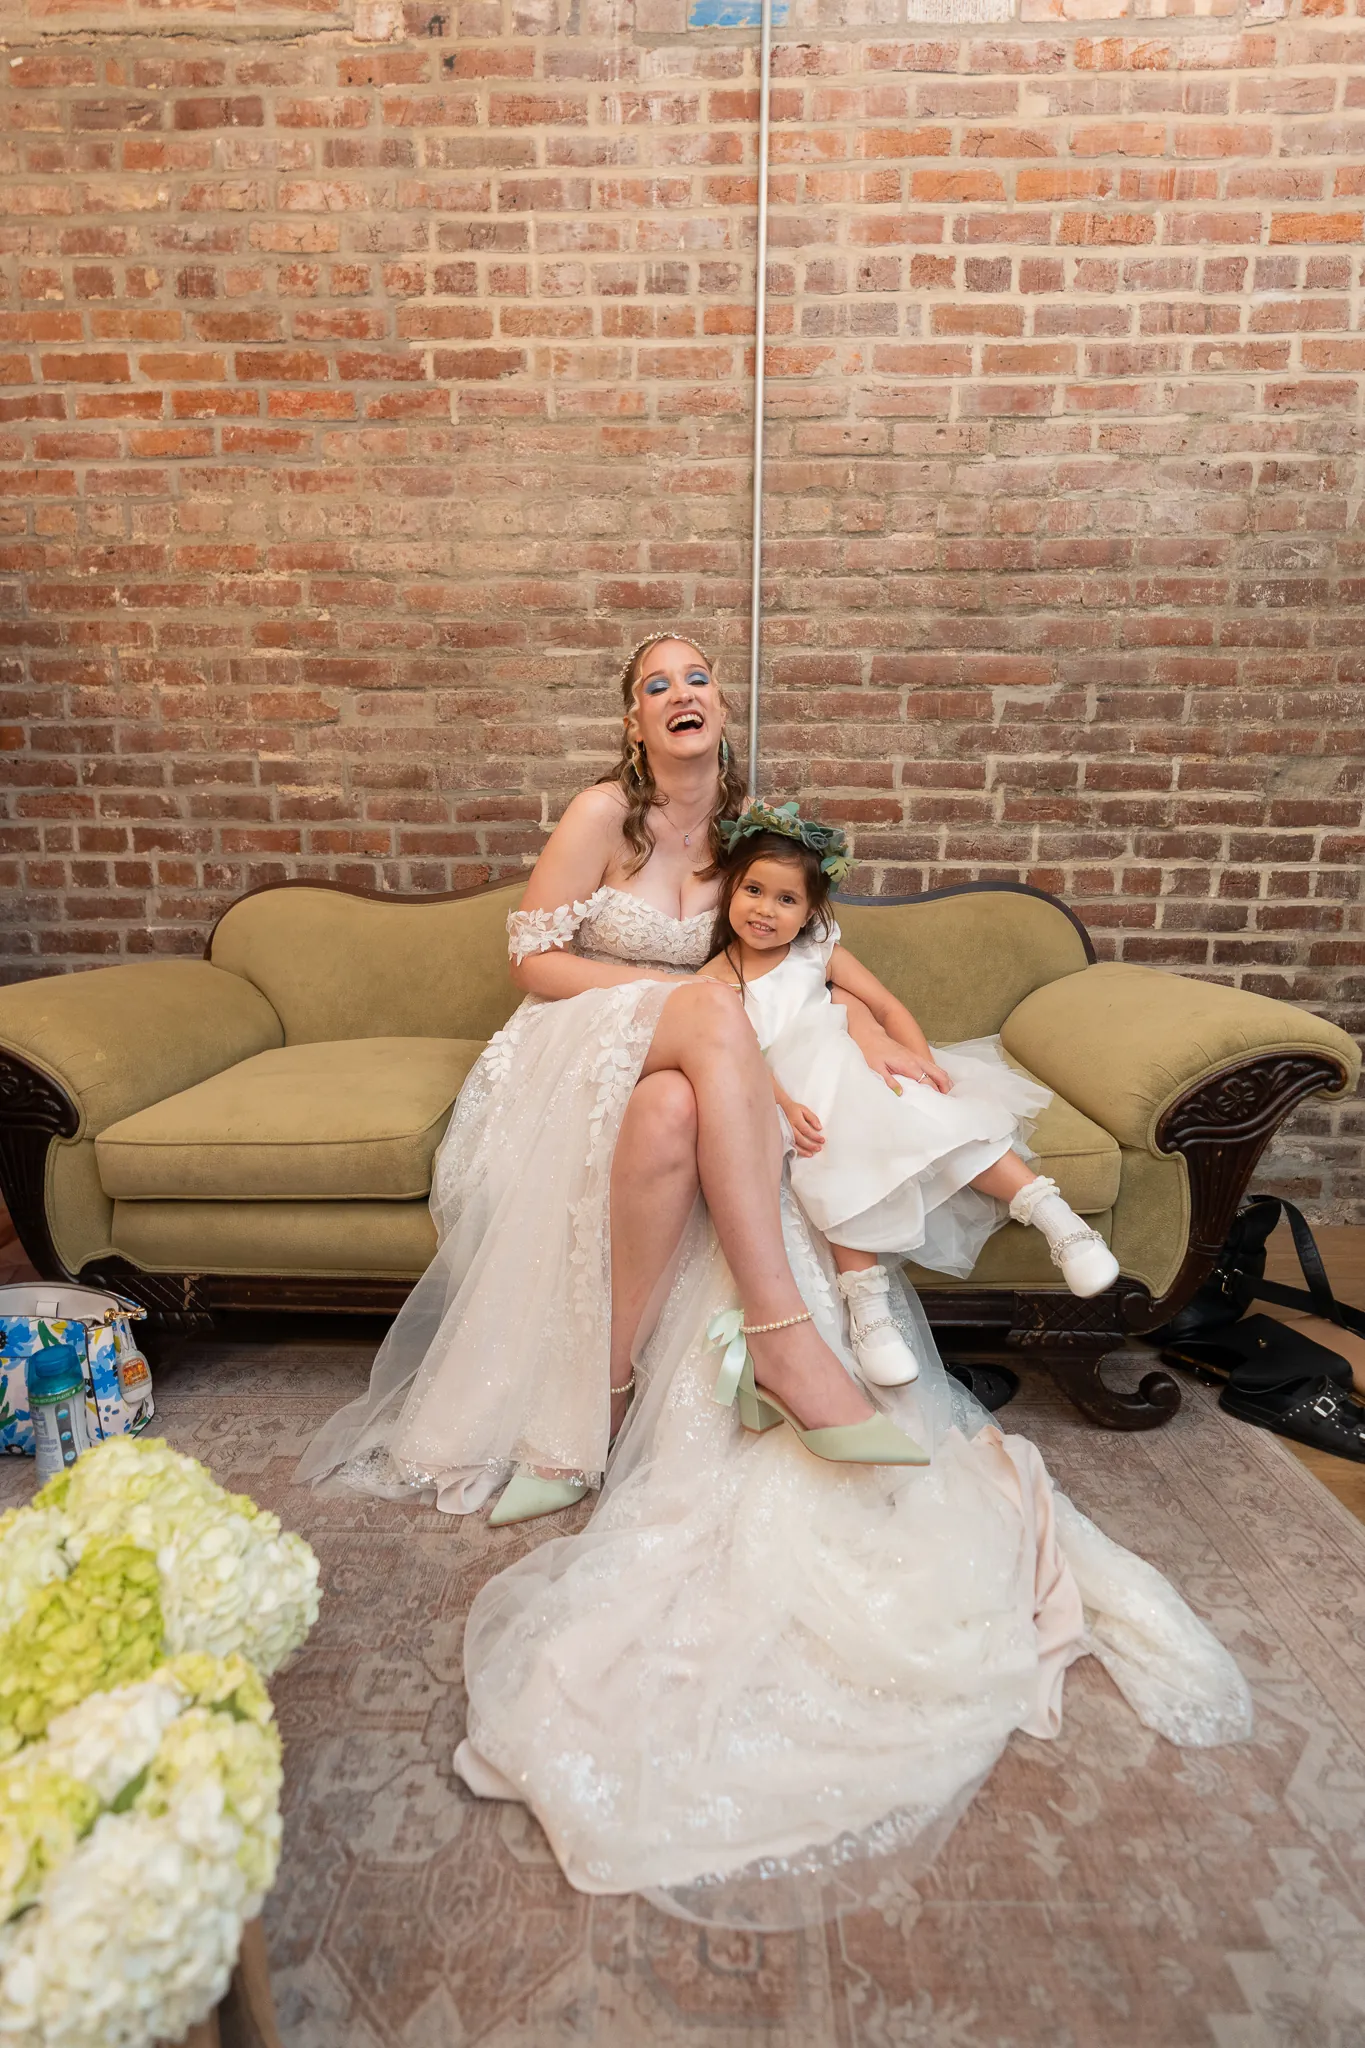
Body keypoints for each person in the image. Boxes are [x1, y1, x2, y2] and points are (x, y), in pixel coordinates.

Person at [300, 628, 1252, 1921]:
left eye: (699, 678)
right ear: (631, 724)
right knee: (694, 1029)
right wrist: (658, 999)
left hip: (679, 1085)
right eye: (657, 684)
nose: (682, 695)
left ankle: (603, 1398)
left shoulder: (749, 839)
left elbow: (808, 971)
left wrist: (853, 1036)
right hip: (569, 1051)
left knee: (678, 1120)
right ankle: (787, 1337)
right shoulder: (601, 817)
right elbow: (530, 965)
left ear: (720, 711)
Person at [697, 804, 1118, 1388]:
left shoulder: (817, 951)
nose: (765, 910)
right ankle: (869, 1312)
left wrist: (918, 1058)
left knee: (933, 1113)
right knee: (828, 1163)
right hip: (798, 1094)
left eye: (786, 900)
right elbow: (737, 1056)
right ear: (729, 892)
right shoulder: (713, 983)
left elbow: (888, 1006)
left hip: (859, 1066)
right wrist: (784, 1107)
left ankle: (1059, 1220)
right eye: (753, 891)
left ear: (811, 912)